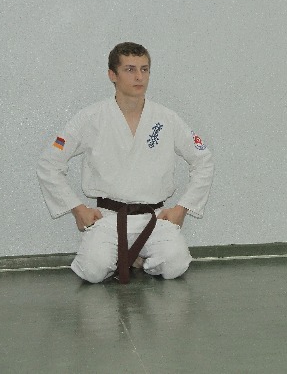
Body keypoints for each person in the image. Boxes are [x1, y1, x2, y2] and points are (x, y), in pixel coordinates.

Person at [37, 42, 214, 283]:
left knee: (175, 264)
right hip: (108, 217)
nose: (139, 77)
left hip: (154, 217)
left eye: (144, 69)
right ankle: (126, 257)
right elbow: (49, 163)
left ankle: (134, 258)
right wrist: (77, 209)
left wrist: (182, 208)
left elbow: (203, 160)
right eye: (130, 69)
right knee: (93, 270)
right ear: (113, 75)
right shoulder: (90, 118)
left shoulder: (166, 119)